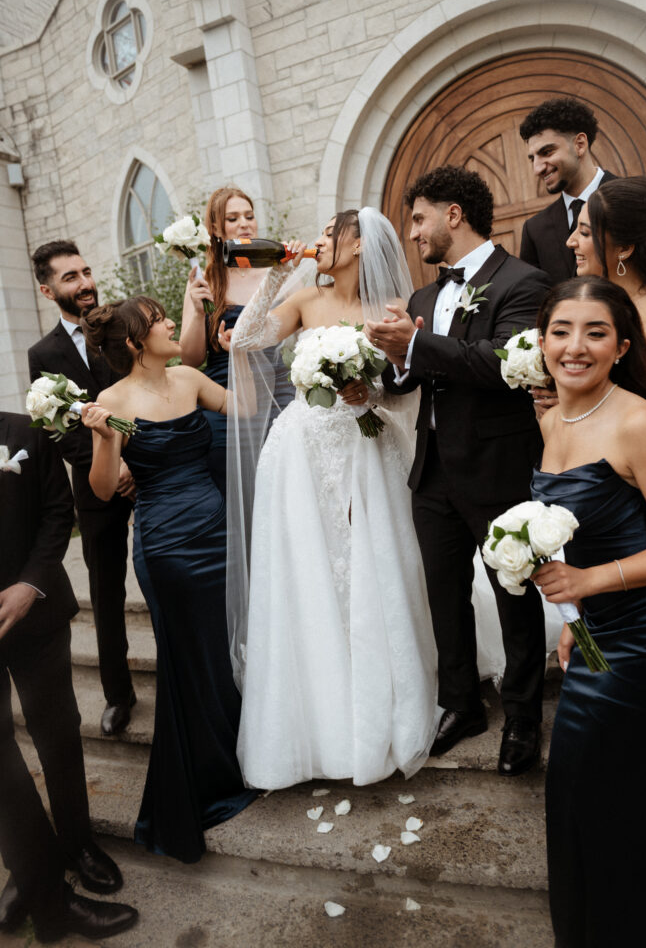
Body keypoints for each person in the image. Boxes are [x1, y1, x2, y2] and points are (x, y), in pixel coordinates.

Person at [227, 208, 440, 790]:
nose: (318, 242)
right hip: (299, 455)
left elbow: (401, 390)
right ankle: (318, 718)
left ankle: (379, 701)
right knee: (312, 576)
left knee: (370, 569)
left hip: (366, 445)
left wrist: (365, 391)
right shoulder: (304, 299)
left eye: (328, 235)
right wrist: (277, 272)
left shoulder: (393, 310)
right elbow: (245, 340)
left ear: (357, 245)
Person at [366, 165, 550, 777]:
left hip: (498, 466)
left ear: (453, 214)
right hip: (432, 470)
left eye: (418, 218)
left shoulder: (523, 282)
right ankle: (461, 703)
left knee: (513, 593)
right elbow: (412, 377)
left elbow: (506, 366)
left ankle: (523, 716)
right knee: (443, 594)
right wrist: (391, 364)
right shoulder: (422, 298)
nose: (412, 233)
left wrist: (414, 346)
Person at [530, 275, 646, 947]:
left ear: (621, 347)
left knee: (604, 803)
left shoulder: (635, 420)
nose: (575, 346)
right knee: (578, 803)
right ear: (541, 342)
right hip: (597, 640)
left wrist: (591, 580)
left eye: (595, 333)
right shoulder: (549, 420)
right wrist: (573, 627)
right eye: (562, 331)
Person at [81, 297, 257, 863]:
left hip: (217, 531)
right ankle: (209, 776)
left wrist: (245, 351)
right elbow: (104, 490)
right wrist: (108, 440)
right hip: (167, 547)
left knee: (227, 644)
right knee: (191, 658)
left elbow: (248, 410)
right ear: (135, 342)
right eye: (158, 321)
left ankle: (248, 752)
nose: (168, 326)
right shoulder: (113, 402)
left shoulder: (188, 378)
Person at [0, 411, 138, 942]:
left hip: (37, 617)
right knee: (3, 770)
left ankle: (78, 843)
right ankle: (32, 873)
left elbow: (60, 511)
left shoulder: (24, 431)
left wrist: (31, 583)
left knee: (57, 736)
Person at [28, 241, 136, 737]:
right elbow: (60, 428)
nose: (85, 283)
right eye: (71, 277)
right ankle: (118, 695)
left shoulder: (124, 324)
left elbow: (147, 386)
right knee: (106, 591)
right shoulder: (43, 355)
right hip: (95, 489)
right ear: (49, 289)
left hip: (152, 467)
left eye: (86, 271)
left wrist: (137, 460)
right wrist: (110, 469)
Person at [180, 186, 294, 488]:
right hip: (225, 390)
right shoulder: (203, 280)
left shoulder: (277, 271)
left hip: (275, 383)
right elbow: (191, 359)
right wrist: (196, 310)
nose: (245, 223)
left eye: (249, 216)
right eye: (233, 218)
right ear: (216, 228)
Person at [567, 176, 646, 434]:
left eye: (584, 232)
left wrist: (637, 409)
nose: (570, 241)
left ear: (624, 248)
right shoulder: (597, 306)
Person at [519, 98, 617, 285]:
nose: (537, 169)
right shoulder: (535, 230)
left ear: (579, 144)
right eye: (533, 159)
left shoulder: (635, 201)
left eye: (547, 152)